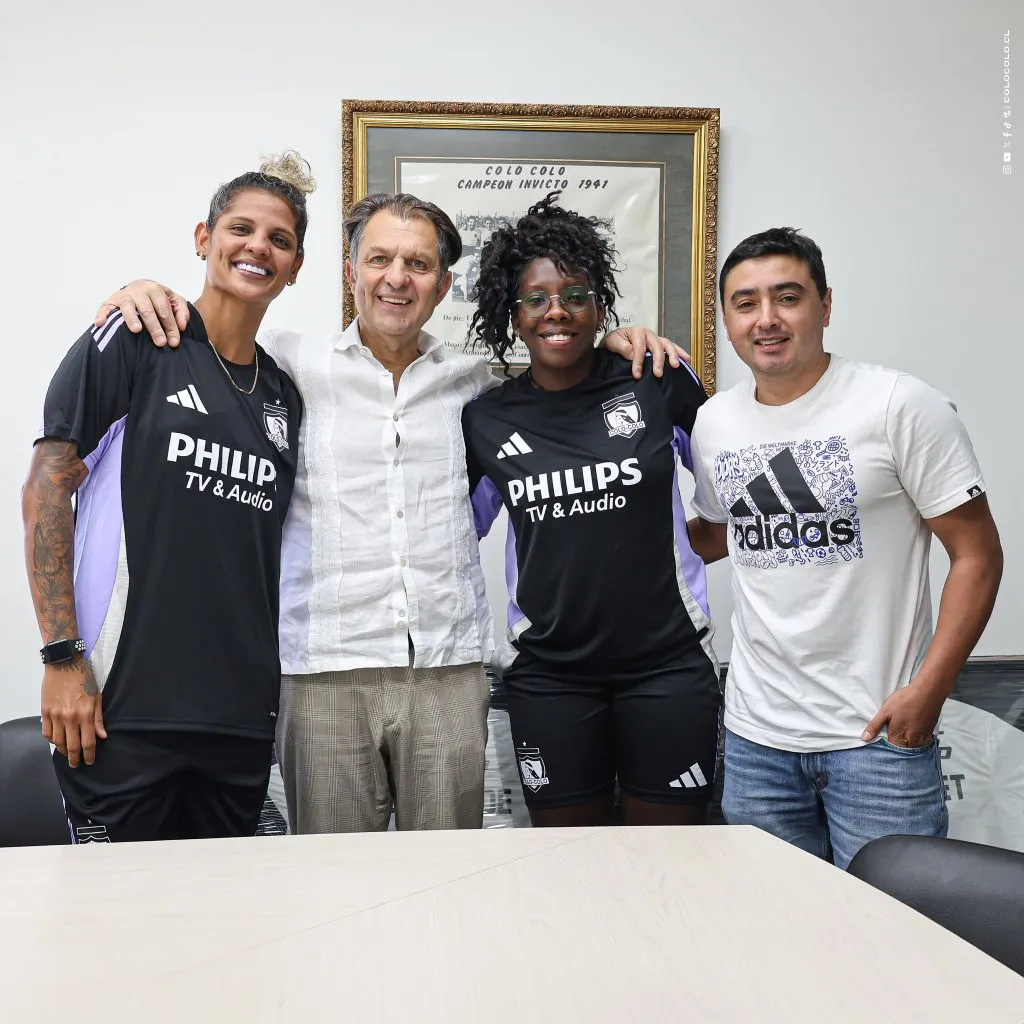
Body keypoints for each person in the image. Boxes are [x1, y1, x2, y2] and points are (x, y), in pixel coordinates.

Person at [91, 192, 685, 835]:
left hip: (447, 671)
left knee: (445, 887)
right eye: (379, 259)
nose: (397, 277)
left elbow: (555, 420)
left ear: (443, 283)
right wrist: (141, 289)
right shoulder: (290, 365)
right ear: (351, 273)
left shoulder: (475, 387)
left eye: (418, 263)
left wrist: (624, 339)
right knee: (336, 892)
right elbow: (214, 332)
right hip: (324, 673)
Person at [686, 227, 1003, 868]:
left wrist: (929, 692)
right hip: (755, 739)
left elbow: (978, 556)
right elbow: (719, 537)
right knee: (772, 930)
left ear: (825, 305)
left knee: (895, 934)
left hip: (877, 738)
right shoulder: (714, 421)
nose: (767, 319)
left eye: (788, 297)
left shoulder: (899, 405)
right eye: (745, 303)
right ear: (725, 317)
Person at [22, 153, 312, 842]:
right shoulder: (137, 338)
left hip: (240, 722)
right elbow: (46, 491)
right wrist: (62, 660)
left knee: (222, 930)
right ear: (202, 238)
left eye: (280, 239)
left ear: (296, 267)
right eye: (241, 228)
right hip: (122, 710)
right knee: (115, 928)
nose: (257, 247)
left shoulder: (284, 395)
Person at [463, 194, 722, 826]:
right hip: (551, 680)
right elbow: (450, 537)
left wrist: (698, 541)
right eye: (537, 299)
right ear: (513, 315)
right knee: (565, 867)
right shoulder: (488, 418)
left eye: (576, 294)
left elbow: (733, 486)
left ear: (599, 303)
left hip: (667, 670)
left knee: (669, 866)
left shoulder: (657, 379)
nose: (558, 312)